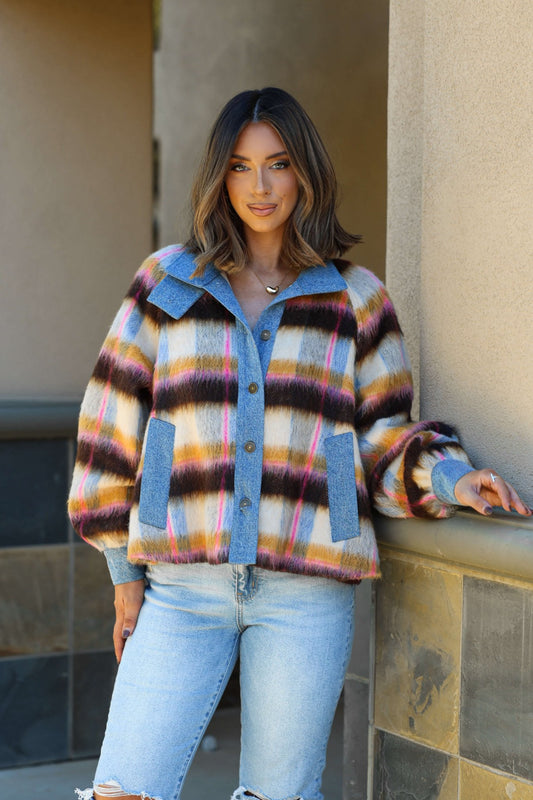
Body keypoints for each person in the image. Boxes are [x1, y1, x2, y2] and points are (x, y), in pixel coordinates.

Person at [68, 87, 531, 800]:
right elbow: (110, 422)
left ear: (304, 173)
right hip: (182, 586)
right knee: (122, 789)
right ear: (218, 177)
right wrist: (124, 579)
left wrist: (448, 479)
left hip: (305, 590)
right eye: (241, 166)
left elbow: (380, 433)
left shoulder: (354, 299)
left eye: (277, 165)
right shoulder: (166, 284)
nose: (260, 186)